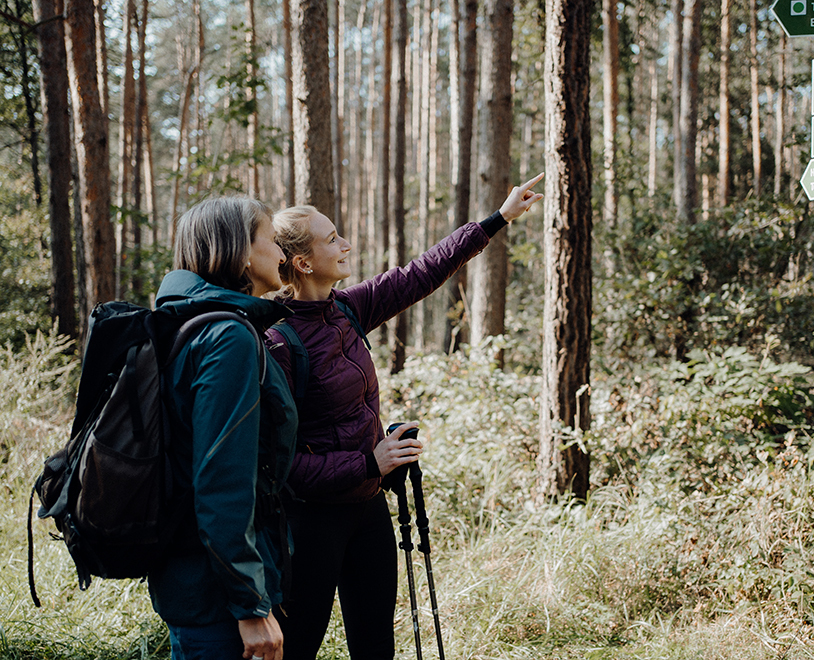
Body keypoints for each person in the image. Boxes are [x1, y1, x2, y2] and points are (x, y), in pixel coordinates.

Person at [265, 173, 545, 660]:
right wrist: (370, 462)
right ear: (304, 262)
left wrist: (498, 219)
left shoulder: (346, 309)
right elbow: (280, 467)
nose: (346, 244)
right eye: (333, 239)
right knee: (297, 649)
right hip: (309, 527)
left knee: (376, 648)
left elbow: (421, 272)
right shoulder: (276, 343)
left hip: (368, 510)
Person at [148, 197, 298, 660]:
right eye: (272, 241)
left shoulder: (186, 323)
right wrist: (250, 607)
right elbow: (222, 483)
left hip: (192, 579)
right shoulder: (227, 337)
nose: (282, 255)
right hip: (219, 600)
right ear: (241, 253)